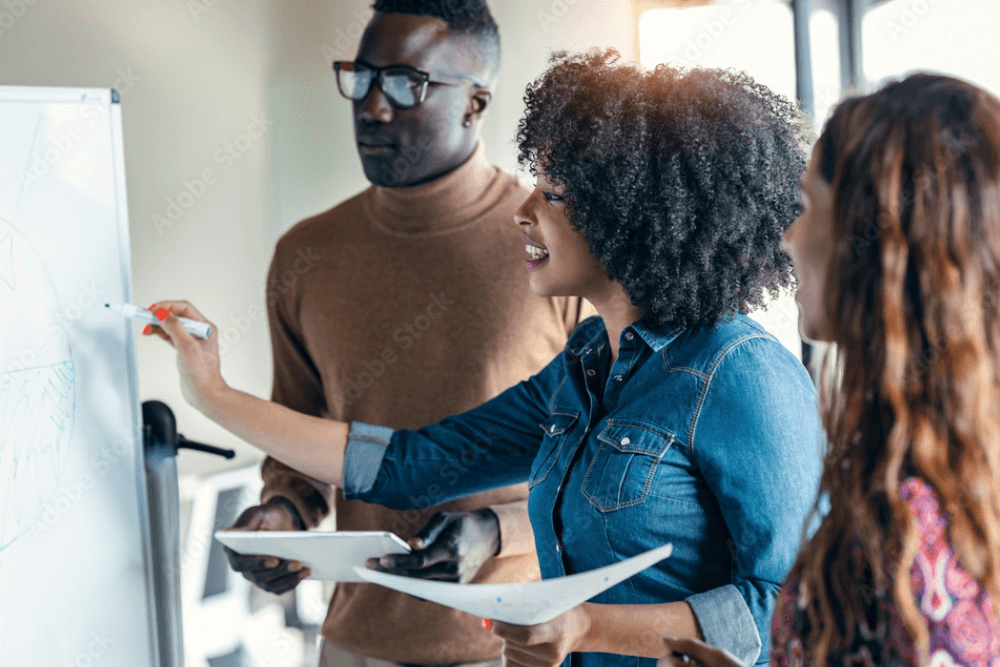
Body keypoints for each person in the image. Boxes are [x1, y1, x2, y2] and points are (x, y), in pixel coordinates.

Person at [147, 49, 823, 667]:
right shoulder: (586, 363)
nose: (523, 211)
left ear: (630, 218)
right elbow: (413, 465)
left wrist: (587, 626)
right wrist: (212, 393)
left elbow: (796, 607)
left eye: (552, 194)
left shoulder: (742, 374)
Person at [169, 1, 591, 665]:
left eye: (404, 83)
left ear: (476, 103)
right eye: (360, 78)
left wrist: (497, 530)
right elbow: (300, 437)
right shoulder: (307, 254)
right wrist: (281, 514)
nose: (372, 106)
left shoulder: (556, 246)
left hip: (510, 646)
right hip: (352, 645)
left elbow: (600, 471)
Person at [661, 73, 1000, 667]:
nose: (789, 238)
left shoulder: (910, 530)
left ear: (875, 242)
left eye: (807, 207)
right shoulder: (943, 466)